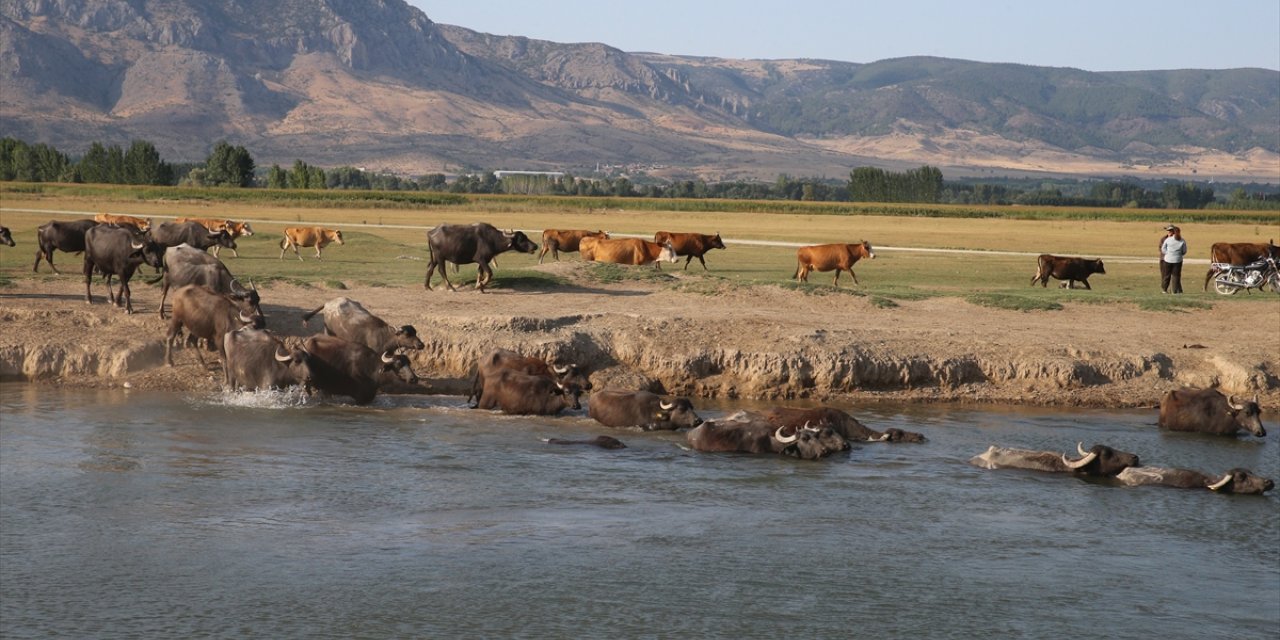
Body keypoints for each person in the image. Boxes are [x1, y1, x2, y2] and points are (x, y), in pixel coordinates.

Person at [1159, 224, 1187, 294]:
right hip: (1177, 260)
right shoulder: (1182, 240)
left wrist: (1168, 254)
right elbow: (1184, 251)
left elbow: (1163, 249)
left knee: (1166, 275)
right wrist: (1178, 255)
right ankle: (1175, 291)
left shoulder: (1168, 240)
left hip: (1167, 259)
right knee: (1176, 276)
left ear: (1173, 232)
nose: (1168, 232)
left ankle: (1164, 290)